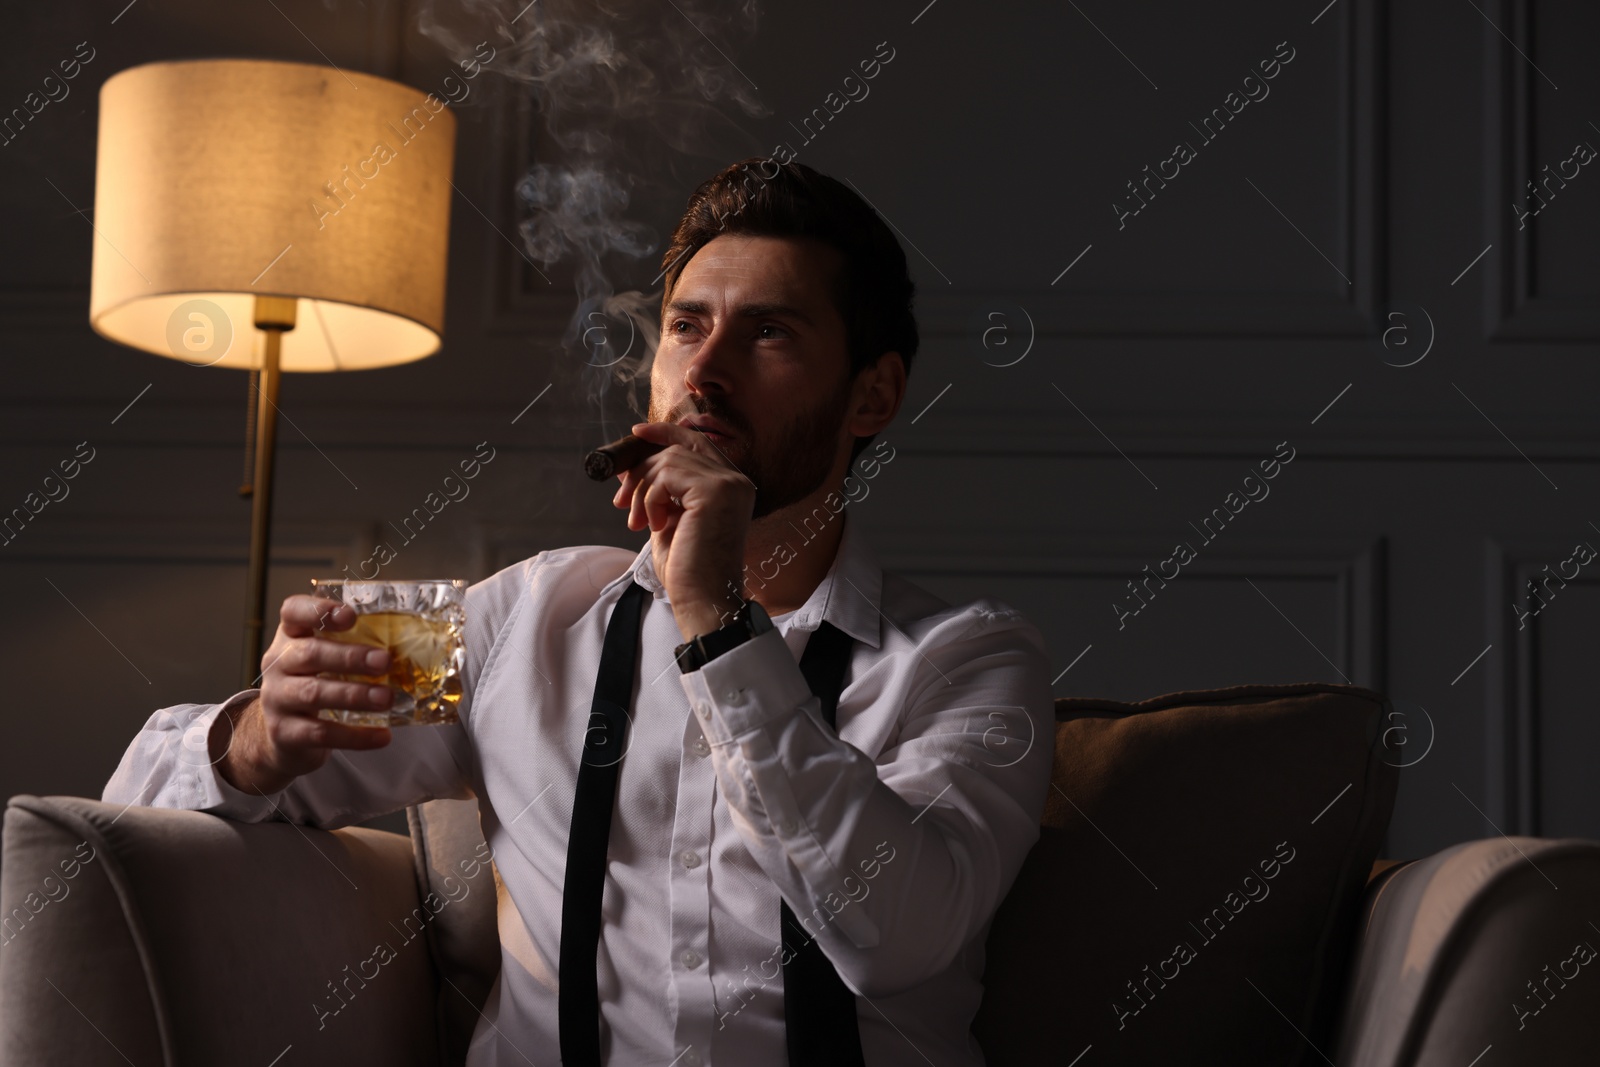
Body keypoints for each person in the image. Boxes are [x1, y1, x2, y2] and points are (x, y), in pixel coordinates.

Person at [104, 158, 1053, 1067]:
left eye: (768, 333)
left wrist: (715, 619)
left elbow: (896, 934)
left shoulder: (969, 658)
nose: (705, 371)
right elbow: (136, 797)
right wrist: (259, 739)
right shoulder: (521, 614)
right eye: (686, 326)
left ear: (872, 395)